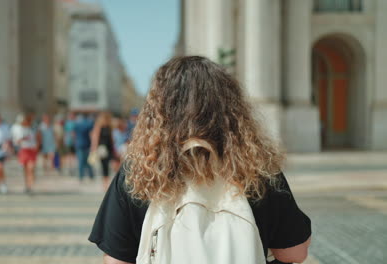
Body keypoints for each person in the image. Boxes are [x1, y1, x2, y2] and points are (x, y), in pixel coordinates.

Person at [89, 56, 311, 264]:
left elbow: (116, 260)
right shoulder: (255, 168)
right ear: (232, 108)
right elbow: (295, 251)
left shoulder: (139, 172)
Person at [15, 113, 40, 194]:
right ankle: (27, 185)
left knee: (31, 168)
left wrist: (37, 146)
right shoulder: (20, 129)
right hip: (24, 150)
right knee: (25, 170)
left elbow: (38, 138)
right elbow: (17, 141)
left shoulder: (33, 129)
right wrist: (23, 138)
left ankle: (30, 185)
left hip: (32, 150)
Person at [91, 112, 115, 190]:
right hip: (101, 149)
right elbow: (95, 137)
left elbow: (111, 139)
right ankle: (104, 183)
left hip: (108, 149)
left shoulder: (109, 127)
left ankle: (106, 182)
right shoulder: (99, 127)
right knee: (104, 166)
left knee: (107, 166)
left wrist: (113, 149)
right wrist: (94, 148)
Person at [73, 113, 94, 182]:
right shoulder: (88, 124)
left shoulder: (77, 124)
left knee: (81, 161)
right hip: (87, 144)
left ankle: (81, 176)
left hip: (79, 144)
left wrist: (75, 142)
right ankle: (91, 175)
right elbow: (91, 132)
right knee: (88, 161)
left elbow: (74, 134)